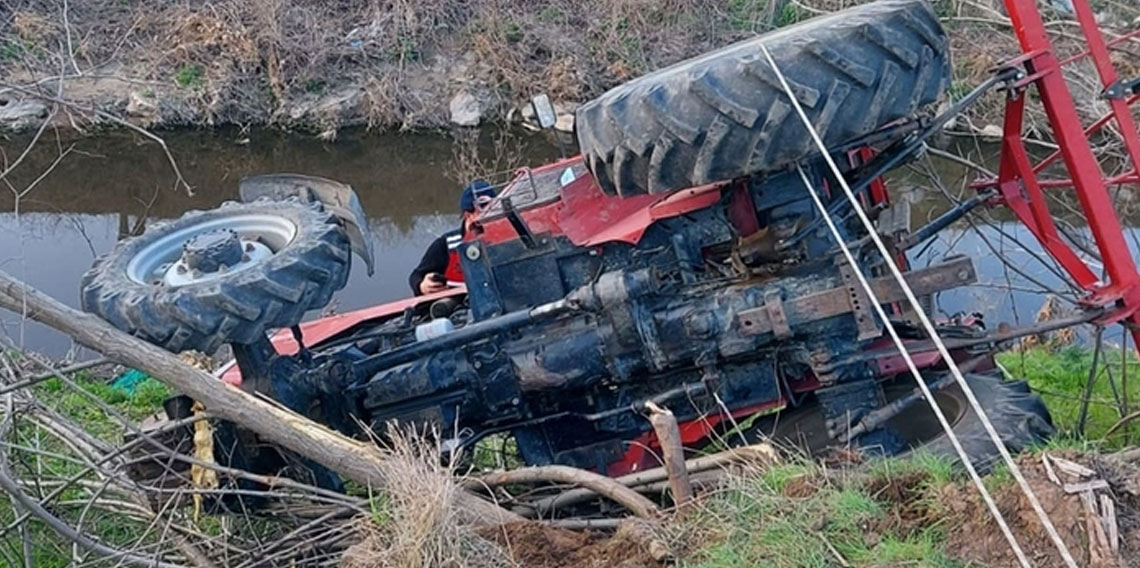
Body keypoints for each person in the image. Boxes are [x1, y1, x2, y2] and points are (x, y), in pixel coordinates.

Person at [408, 180, 495, 295]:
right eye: (483, 211)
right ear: (467, 215)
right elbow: (416, 276)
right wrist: (422, 285)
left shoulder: (507, 237)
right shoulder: (446, 244)